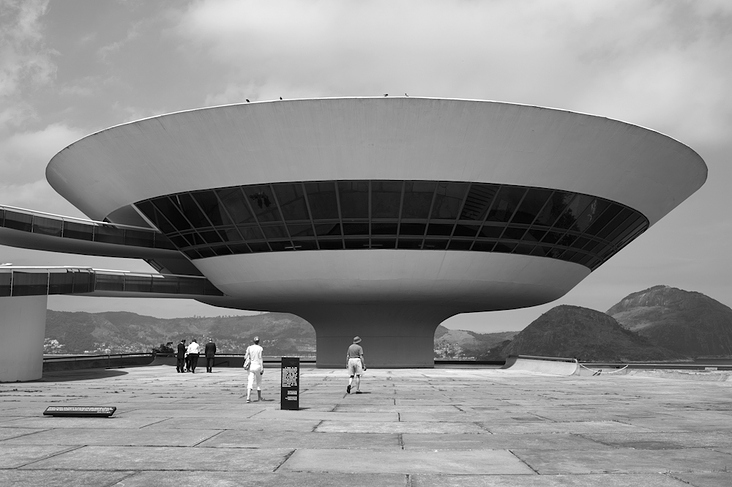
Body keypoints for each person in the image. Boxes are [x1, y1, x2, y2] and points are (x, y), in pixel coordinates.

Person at [244, 336, 264, 403]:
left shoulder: (249, 348)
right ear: (259, 341)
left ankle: (248, 397)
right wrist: (262, 368)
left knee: (250, 381)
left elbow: (245, 357)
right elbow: (260, 358)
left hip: (251, 366)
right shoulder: (260, 348)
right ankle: (259, 397)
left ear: (253, 341)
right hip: (257, 365)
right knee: (259, 382)